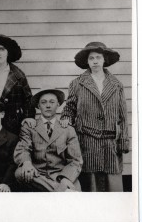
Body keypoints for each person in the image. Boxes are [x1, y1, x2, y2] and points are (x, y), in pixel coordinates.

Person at [60, 42, 129, 192]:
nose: (95, 61)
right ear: (87, 61)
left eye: (99, 57)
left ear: (105, 60)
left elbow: (123, 116)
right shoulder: (77, 83)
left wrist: (123, 139)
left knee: (113, 184)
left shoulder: (116, 85)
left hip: (111, 143)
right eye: (91, 58)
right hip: (87, 141)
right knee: (91, 185)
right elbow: (70, 106)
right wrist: (66, 117)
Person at [14, 89, 83, 192]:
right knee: (21, 172)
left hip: (60, 174)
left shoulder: (68, 129)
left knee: (75, 187)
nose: (48, 106)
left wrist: (65, 178)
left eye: (52, 102)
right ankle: (61, 191)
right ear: (38, 106)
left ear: (58, 104)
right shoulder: (29, 127)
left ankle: (58, 188)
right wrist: (27, 162)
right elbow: (23, 148)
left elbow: (75, 160)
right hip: (36, 174)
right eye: (43, 102)